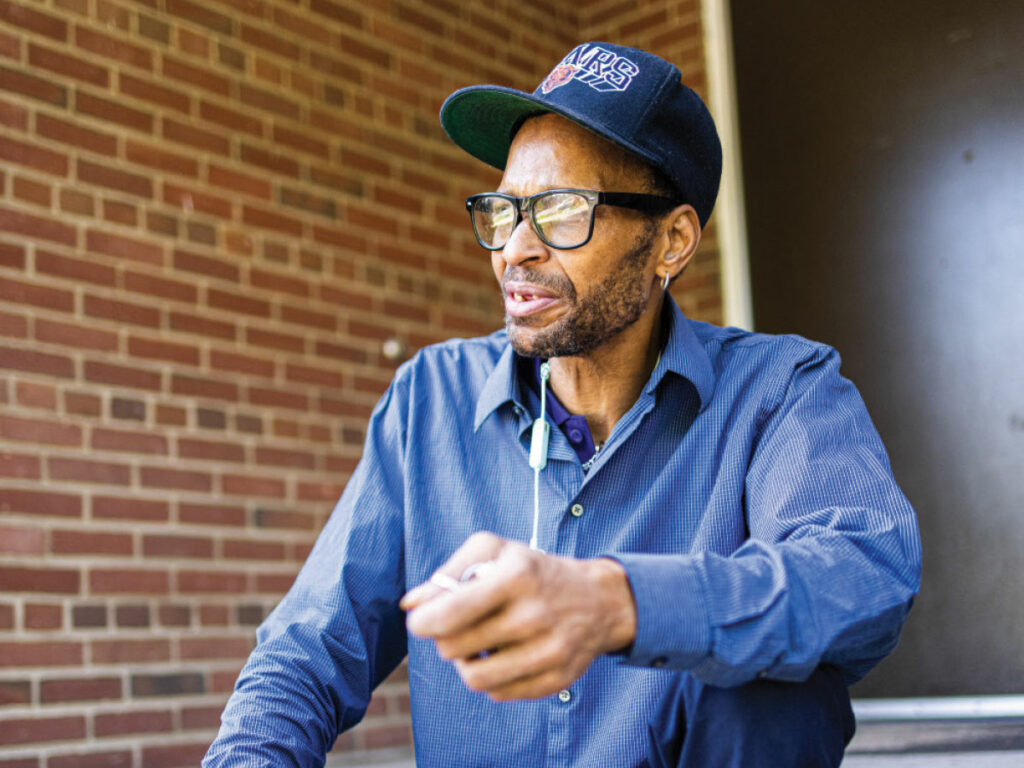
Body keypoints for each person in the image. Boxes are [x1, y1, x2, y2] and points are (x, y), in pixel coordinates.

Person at [204, 42, 921, 767]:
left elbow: (862, 572)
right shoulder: (430, 400)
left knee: (773, 682)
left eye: (559, 209)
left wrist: (617, 602)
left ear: (671, 241)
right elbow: (304, 655)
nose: (515, 249)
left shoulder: (780, 390)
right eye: (504, 209)